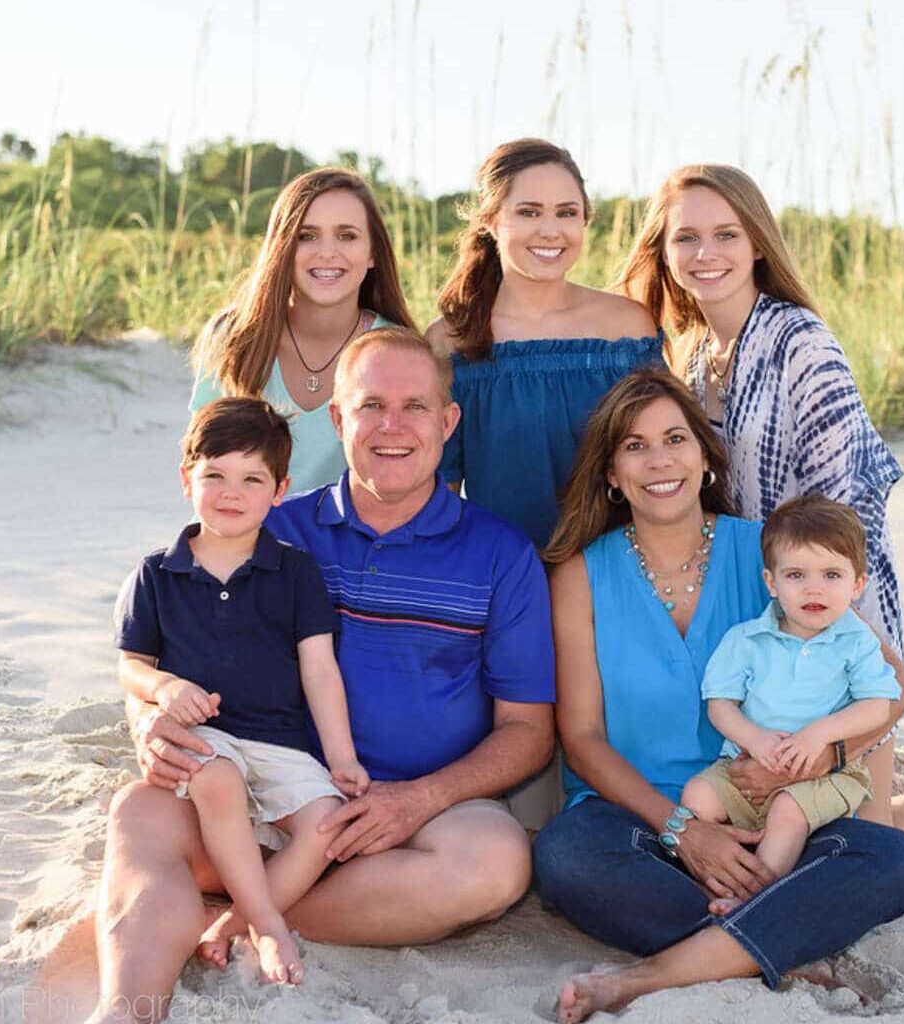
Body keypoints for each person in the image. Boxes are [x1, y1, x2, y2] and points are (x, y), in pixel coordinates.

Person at [50, 328, 555, 1024]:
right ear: (338, 420)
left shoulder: (501, 553)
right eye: (371, 405)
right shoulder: (271, 527)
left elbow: (528, 733)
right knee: (140, 812)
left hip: (414, 824)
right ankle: (126, 1010)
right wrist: (152, 724)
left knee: (496, 865)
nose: (393, 426)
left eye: (414, 406)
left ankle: (249, 909)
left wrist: (417, 800)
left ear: (448, 421)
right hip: (265, 796)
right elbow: (160, 651)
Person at [617, 164, 904, 845]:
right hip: (758, 611)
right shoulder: (692, 355)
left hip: (832, 604)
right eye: (686, 238)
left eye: (725, 234)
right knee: (780, 824)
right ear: (665, 252)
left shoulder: (803, 343)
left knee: (863, 838)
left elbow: (841, 515)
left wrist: (826, 630)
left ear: (758, 243)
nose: (705, 254)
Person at [534, 369, 904, 1022]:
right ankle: (774, 940)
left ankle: (665, 970)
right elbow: (581, 738)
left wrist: (812, 766)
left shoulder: (767, 554)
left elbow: (898, 689)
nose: (659, 460)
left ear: (704, 456)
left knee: (892, 859)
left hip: (775, 815)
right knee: (565, 859)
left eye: (675, 439)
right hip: (642, 823)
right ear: (610, 473)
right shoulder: (581, 575)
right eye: (634, 446)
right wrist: (683, 831)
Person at [111, 397, 369, 991]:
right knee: (218, 778)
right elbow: (131, 666)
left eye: (251, 479)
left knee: (328, 823)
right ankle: (271, 924)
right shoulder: (156, 575)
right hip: (205, 740)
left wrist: (342, 758)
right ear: (186, 480)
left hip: (279, 739)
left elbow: (319, 671)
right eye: (214, 476)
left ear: (278, 491)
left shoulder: (296, 572)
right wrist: (166, 687)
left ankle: (231, 921)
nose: (231, 493)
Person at [428, 138, 662, 551]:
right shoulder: (452, 339)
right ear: (490, 221)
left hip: (617, 567)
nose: (551, 230)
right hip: (504, 574)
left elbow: (660, 460)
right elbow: (442, 487)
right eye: (529, 212)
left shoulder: (625, 327)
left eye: (567, 213)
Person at [679, 495, 901, 917]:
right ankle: (715, 874)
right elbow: (720, 706)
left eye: (831, 574)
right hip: (747, 762)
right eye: (796, 574)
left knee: (787, 811)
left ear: (857, 584)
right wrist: (755, 739)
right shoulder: (746, 639)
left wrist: (818, 734)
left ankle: (755, 892)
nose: (814, 588)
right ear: (771, 582)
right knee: (698, 796)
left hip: (826, 775)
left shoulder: (855, 641)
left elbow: (878, 706)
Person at [189, 167, 415, 493]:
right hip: (247, 534)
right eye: (306, 236)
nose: (326, 252)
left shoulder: (398, 352)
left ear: (373, 254)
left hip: (351, 540)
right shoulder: (232, 337)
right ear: (282, 249)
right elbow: (204, 462)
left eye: (347, 236)